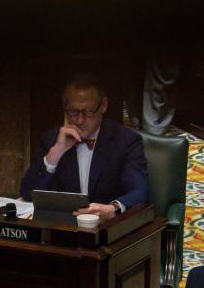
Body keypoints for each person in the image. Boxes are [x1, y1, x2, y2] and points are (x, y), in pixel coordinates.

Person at [20, 73, 149, 221]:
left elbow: (140, 192)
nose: (80, 120)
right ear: (64, 108)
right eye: (73, 112)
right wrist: (55, 153)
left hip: (109, 229)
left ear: (103, 105)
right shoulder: (51, 139)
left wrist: (113, 209)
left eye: (88, 112)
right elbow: (27, 192)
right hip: (64, 230)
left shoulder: (126, 141)